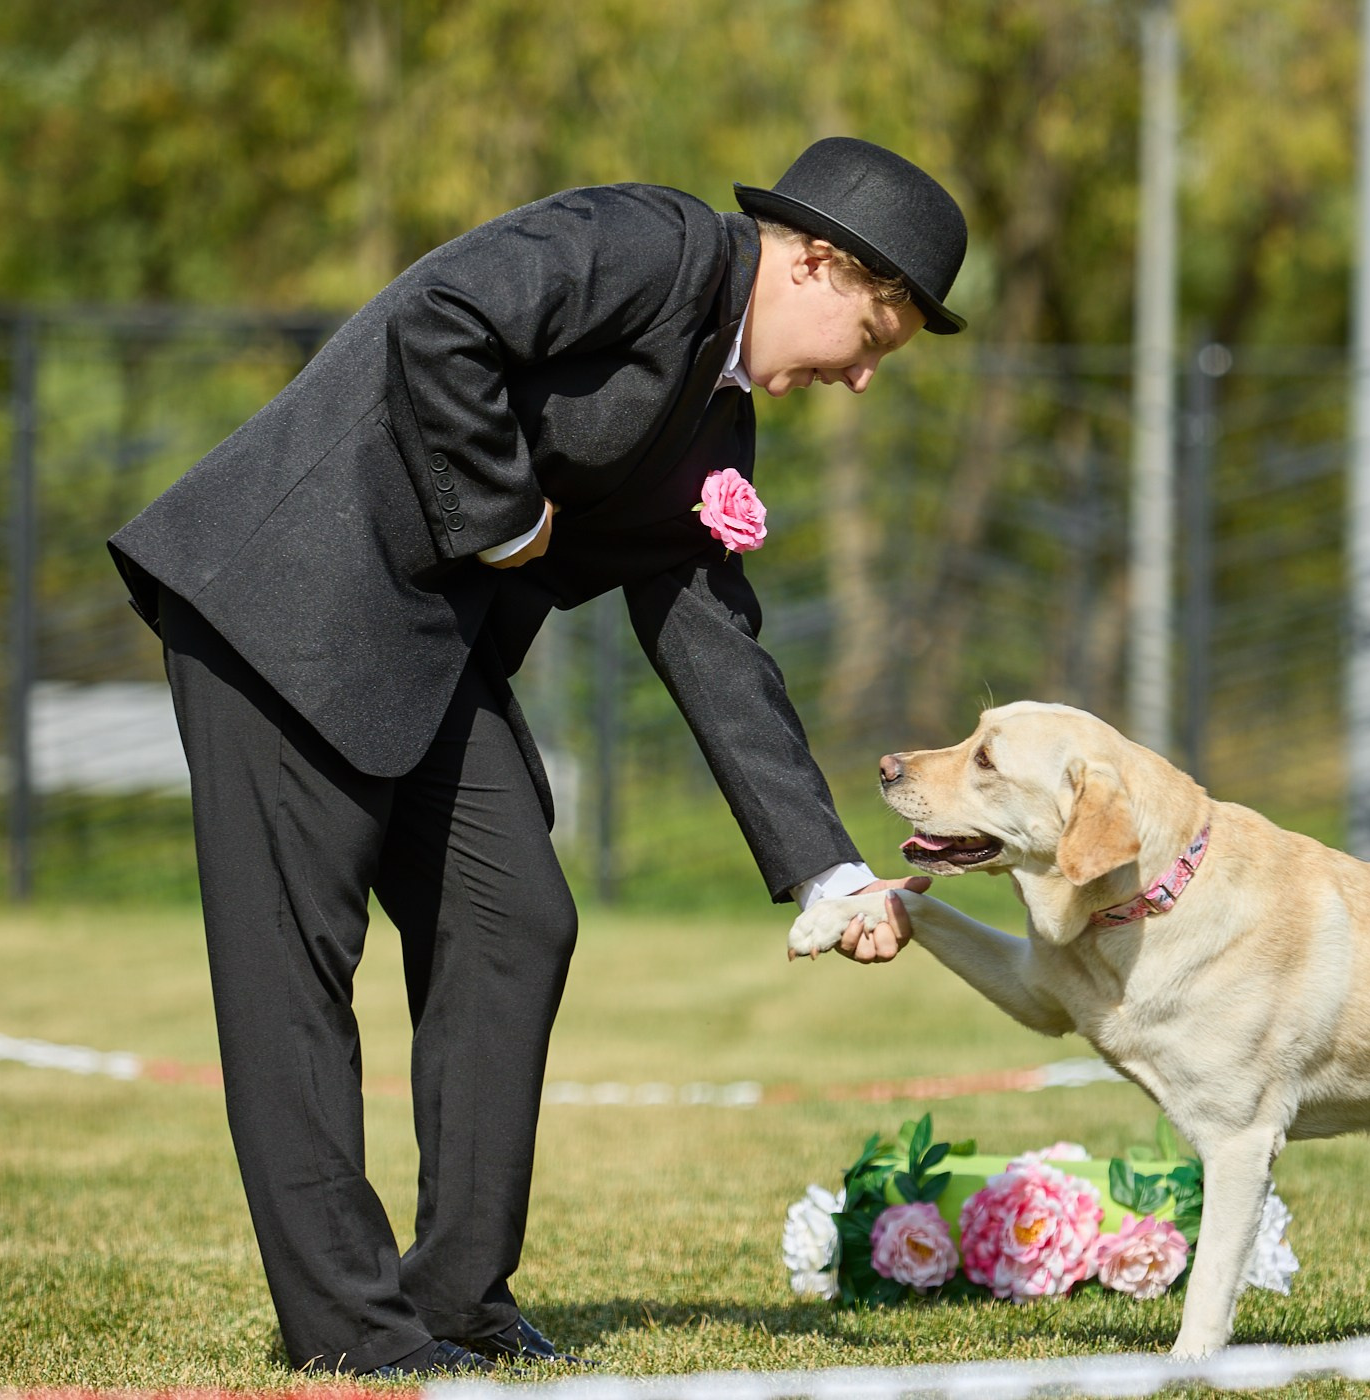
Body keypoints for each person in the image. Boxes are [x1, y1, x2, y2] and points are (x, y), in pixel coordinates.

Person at [107, 137, 962, 1376]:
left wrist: (831, 876)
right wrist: (506, 514)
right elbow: (443, 315)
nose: (862, 378)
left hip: (422, 648)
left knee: (517, 916)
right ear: (816, 262)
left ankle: (456, 1298)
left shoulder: (717, 419)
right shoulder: (654, 244)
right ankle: (352, 1329)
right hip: (284, 601)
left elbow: (711, 638)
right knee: (298, 968)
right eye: (872, 341)